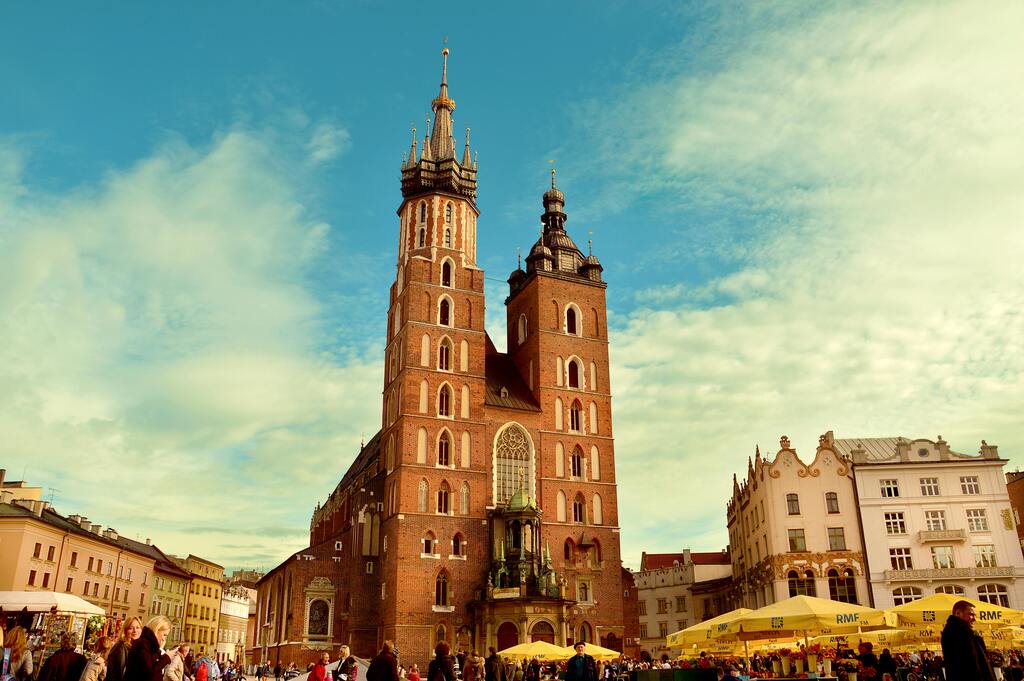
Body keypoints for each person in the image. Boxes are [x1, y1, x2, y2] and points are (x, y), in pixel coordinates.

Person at [942, 600, 997, 681]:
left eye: (975, 615)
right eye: (971, 614)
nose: (974, 619)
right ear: (958, 613)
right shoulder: (961, 632)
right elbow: (972, 664)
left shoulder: (956, 630)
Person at [124, 616, 174, 681]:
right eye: (164, 635)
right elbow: (149, 672)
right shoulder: (143, 644)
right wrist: (166, 658)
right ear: (157, 629)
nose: (164, 639)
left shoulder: (150, 645)